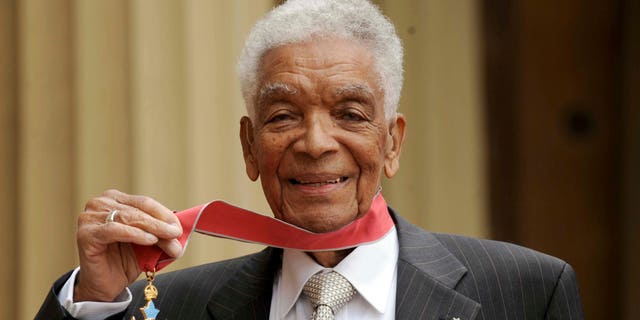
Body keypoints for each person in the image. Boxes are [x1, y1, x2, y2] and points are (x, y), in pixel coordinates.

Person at [36, 0, 584, 319]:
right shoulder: (169, 308)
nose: (316, 143)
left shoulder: (526, 292)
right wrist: (98, 298)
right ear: (250, 149)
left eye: (349, 113)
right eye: (282, 117)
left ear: (392, 143)